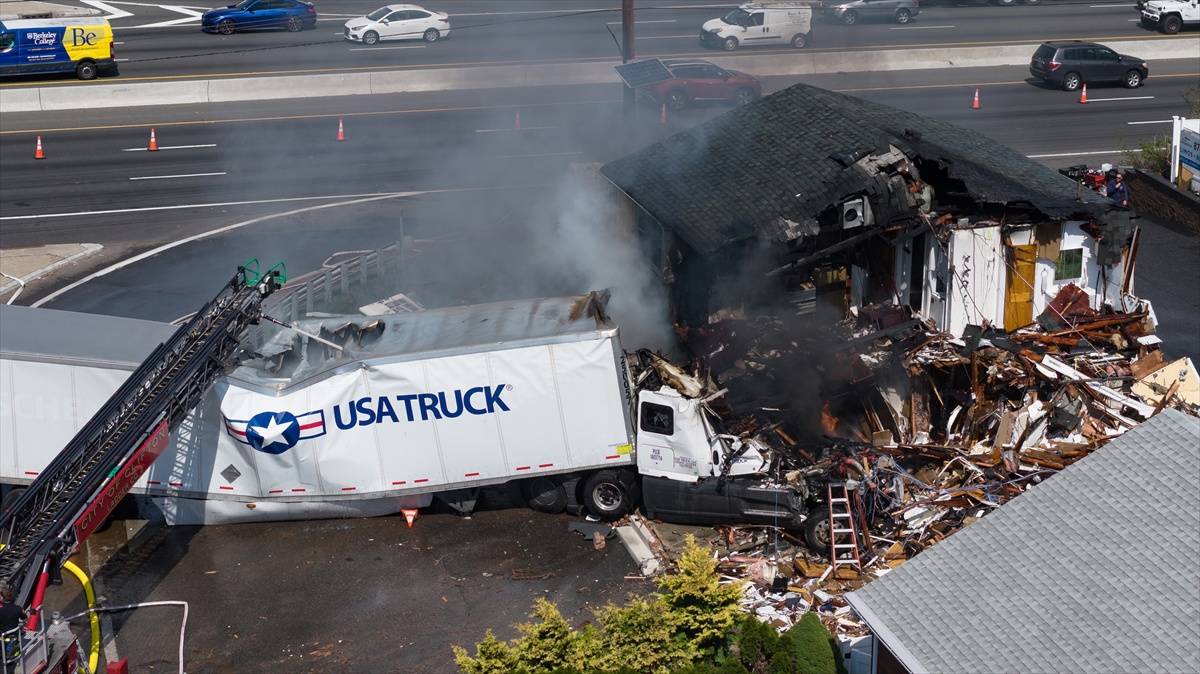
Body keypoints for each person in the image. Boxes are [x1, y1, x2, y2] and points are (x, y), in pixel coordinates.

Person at [0, 583, 23, 668]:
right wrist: (31, 612)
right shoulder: (17, 609)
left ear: (2, 597)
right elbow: (24, 618)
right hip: (12, 639)